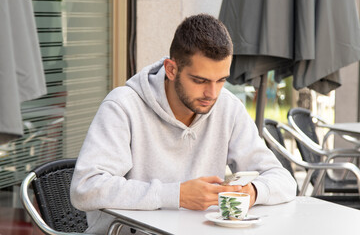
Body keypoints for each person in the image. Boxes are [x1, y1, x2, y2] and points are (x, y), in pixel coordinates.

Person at [70, 14, 297, 234]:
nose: (212, 93)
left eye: (221, 80)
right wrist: (177, 195)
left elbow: (283, 179)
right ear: (171, 69)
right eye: (200, 80)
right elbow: (86, 188)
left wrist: (253, 192)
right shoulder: (123, 106)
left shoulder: (228, 108)